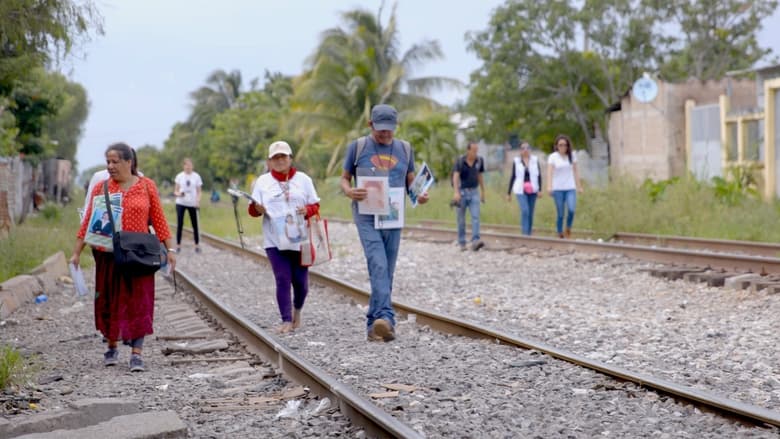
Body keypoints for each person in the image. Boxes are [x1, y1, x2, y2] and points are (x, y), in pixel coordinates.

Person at [70, 142, 177, 372]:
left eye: (115, 162)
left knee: (140, 301)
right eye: (107, 162)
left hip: (139, 255)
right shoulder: (101, 188)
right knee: (109, 298)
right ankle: (111, 345)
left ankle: (137, 353)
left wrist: (171, 249)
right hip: (108, 255)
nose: (110, 166)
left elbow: (159, 220)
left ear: (129, 162)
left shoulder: (147, 186)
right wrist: (76, 252)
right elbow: (88, 221)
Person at [340, 104, 429, 343]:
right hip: (366, 214)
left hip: (393, 214)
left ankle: (374, 324)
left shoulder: (405, 149)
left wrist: (418, 195)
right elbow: (344, 179)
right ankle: (387, 318)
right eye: (381, 131)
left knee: (387, 269)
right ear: (371, 125)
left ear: (396, 127)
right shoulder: (358, 147)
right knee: (377, 263)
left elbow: (411, 182)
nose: (385, 135)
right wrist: (350, 192)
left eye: (389, 131)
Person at [247, 141, 320, 334]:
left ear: (290, 159)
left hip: (300, 240)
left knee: (301, 283)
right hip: (274, 240)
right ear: (269, 161)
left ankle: (297, 311)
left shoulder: (303, 180)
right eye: (275, 158)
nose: (280, 161)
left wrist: (307, 210)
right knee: (282, 278)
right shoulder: (262, 182)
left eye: (283, 157)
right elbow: (252, 210)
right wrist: (257, 208)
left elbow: (315, 206)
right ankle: (286, 320)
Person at [547, 134, 583, 238]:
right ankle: (559, 232)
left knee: (571, 209)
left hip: (570, 188)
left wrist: (579, 186)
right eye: (560, 145)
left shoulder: (572, 156)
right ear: (556, 146)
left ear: (568, 146)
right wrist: (549, 187)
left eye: (565, 145)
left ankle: (568, 228)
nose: (563, 147)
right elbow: (549, 172)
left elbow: (576, 172)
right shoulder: (553, 157)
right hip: (557, 189)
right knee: (561, 213)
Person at [452, 142, 486, 251]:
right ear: (468, 150)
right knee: (461, 219)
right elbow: (455, 176)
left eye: (477, 150)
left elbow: (480, 175)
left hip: (474, 192)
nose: (475, 153)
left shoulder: (479, 161)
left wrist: (483, 191)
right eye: (473, 150)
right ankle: (462, 242)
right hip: (461, 193)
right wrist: (456, 192)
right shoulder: (460, 161)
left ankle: (475, 241)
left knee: (475, 216)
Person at [507, 141, 542, 235]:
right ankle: (524, 234)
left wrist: (540, 190)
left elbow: (539, 176)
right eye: (523, 148)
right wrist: (508, 193)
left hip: (533, 189)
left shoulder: (535, 160)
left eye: (527, 147)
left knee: (530, 213)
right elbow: (513, 176)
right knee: (525, 210)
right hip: (520, 190)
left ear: (530, 149)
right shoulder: (516, 161)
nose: (525, 150)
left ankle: (529, 234)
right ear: (520, 151)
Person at [173, 158, 203, 253]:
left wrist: (198, 201)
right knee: (180, 224)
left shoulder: (196, 176)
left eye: (190, 165)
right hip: (181, 202)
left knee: (195, 224)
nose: (188, 167)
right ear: (184, 166)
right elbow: (175, 191)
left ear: (192, 166)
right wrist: (179, 194)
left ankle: (197, 245)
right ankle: (178, 245)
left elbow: (199, 191)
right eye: (186, 165)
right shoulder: (180, 176)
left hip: (192, 203)